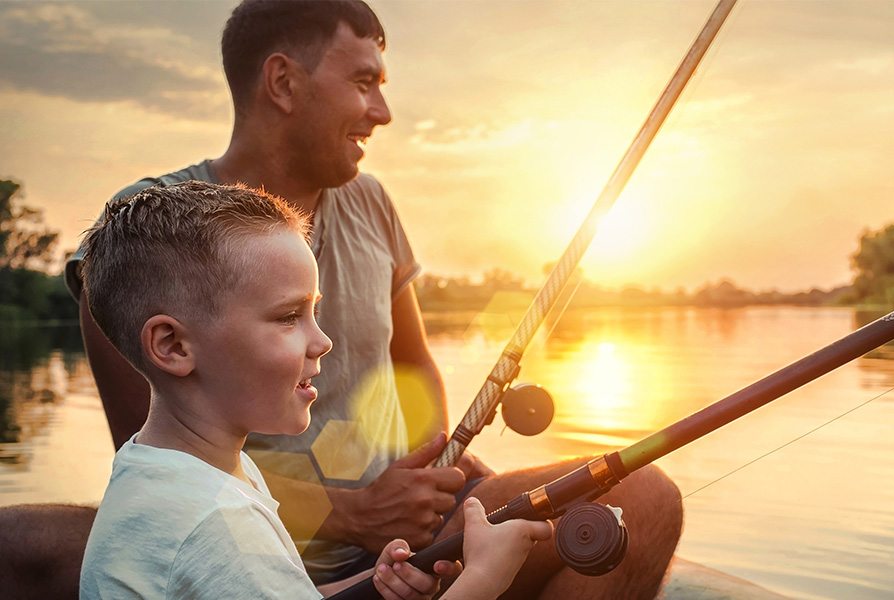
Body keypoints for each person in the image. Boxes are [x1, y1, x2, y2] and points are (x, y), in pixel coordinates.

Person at [0, 2, 683, 599]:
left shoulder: (374, 201)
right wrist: (353, 514)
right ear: (283, 82)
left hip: (393, 535)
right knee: (15, 540)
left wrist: (437, 475)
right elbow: (151, 445)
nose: (383, 112)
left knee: (642, 496)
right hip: (233, 520)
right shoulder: (147, 229)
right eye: (364, 83)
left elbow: (415, 367)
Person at [77, 180, 551, 600]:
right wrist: (483, 579)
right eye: (288, 317)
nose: (323, 341)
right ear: (173, 346)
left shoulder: (177, 472)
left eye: (314, 313)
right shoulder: (213, 525)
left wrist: (375, 582)